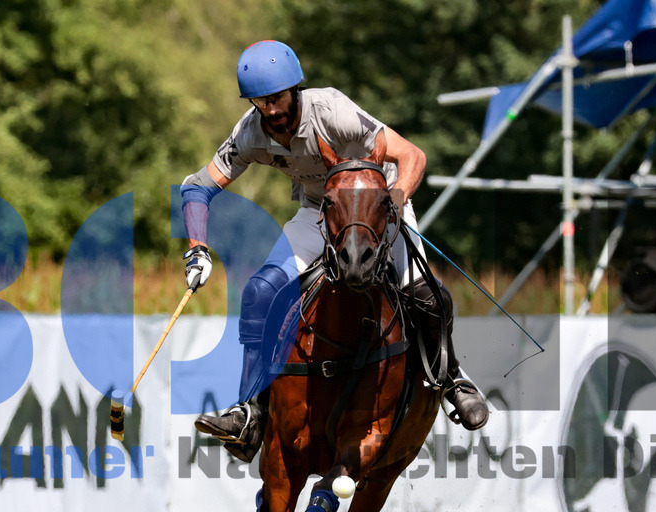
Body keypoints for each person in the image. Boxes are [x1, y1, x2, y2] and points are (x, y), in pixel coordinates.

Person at [180, 40, 488, 463]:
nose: (271, 111)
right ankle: (249, 412)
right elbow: (198, 185)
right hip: (321, 211)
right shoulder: (250, 132)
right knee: (259, 292)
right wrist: (196, 247)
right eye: (260, 103)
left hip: (379, 204)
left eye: (276, 98)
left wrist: (394, 199)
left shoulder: (332, 111)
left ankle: (453, 379)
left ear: (295, 90)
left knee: (422, 294)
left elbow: (411, 155)